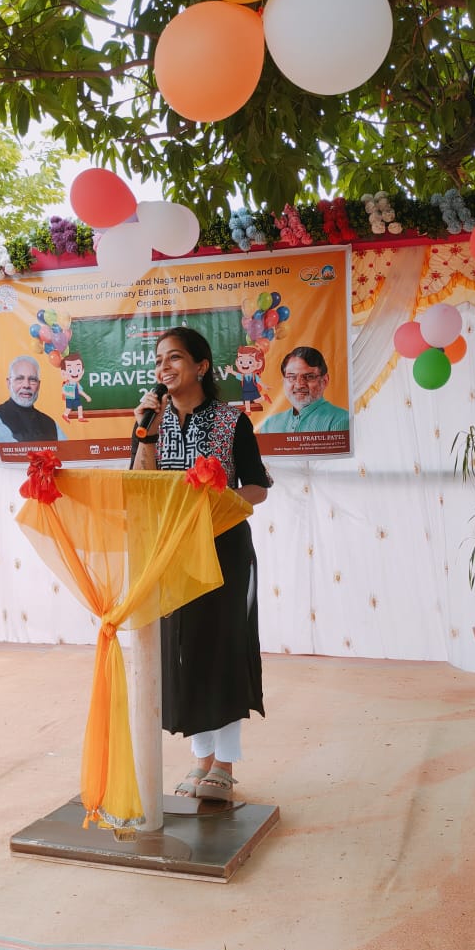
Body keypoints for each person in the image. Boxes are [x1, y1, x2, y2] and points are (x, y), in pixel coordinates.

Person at [131, 326, 272, 803]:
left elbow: (257, 488)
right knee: (184, 648)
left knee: (222, 647)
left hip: (223, 549)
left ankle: (225, 764)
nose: (163, 368)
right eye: (158, 361)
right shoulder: (153, 421)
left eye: (174, 358)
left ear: (202, 366)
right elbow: (140, 485)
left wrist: (217, 502)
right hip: (173, 551)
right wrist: (144, 433)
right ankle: (200, 759)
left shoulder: (232, 423)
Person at [257, 346, 349, 433]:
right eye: (292, 377)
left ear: (324, 381)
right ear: (284, 381)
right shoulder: (269, 425)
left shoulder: (340, 419)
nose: (299, 385)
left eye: (309, 377)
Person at [0, 356, 67, 442]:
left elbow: (66, 452)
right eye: (19, 379)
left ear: (39, 385)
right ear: (9, 383)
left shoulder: (51, 424)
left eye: (32, 380)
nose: (26, 385)